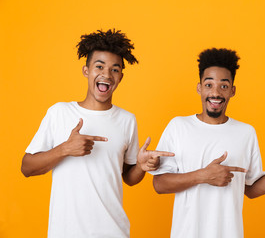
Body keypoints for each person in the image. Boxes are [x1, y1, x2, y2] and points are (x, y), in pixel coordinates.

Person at [150, 48, 265, 238]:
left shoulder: (245, 133)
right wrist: (203, 175)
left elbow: (250, 188)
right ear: (199, 88)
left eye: (224, 86)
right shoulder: (179, 126)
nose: (215, 92)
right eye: (209, 84)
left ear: (232, 91)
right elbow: (160, 184)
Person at [21, 29, 174, 238]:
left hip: (113, 232)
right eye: (99, 67)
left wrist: (141, 166)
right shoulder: (59, 113)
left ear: (120, 76)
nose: (106, 75)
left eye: (115, 69)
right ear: (86, 70)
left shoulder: (127, 120)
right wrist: (65, 149)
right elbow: (27, 167)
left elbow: (128, 178)